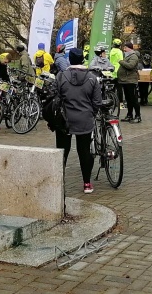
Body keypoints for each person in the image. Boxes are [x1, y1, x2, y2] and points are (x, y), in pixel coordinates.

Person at [55, 48, 101, 194]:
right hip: (85, 119)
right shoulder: (92, 78)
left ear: (70, 60)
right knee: (84, 151)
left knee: (62, 151)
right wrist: (91, 113)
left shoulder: (61, 76)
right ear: (82, 60)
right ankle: (87, 183)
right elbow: (97, 101)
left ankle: (58, 183)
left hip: (64, 120)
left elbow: (55, 97)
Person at [117, 41, 142, 123]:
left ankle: (138, 116)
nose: (124, 49)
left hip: (131, 81)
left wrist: (121, 61)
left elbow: (130, 66)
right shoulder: (127, 56)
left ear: (129, 48)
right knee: (128, 99)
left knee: (133, 99)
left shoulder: (133, 56)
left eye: (125, 48)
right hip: (125, 81)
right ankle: (129, 115)